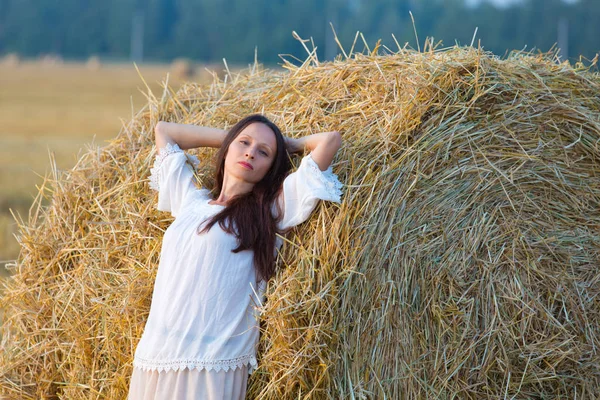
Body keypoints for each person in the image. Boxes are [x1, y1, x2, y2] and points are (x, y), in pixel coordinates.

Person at [127, 114, 343, 399]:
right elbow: (165, 132)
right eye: (244, 143)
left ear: (270, 168)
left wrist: (285, 145)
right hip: (156, 356)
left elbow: (329, 141)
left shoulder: (269, 213)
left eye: (263, 152)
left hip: (211, 365)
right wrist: (233, 138)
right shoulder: (189, 202)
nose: (251, 152)